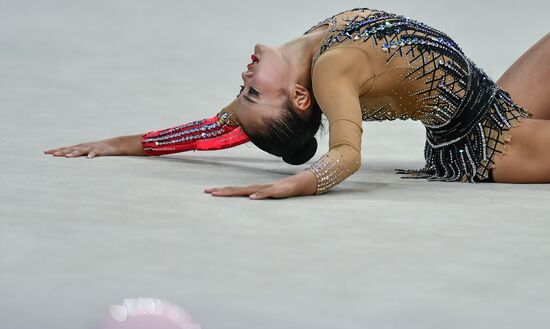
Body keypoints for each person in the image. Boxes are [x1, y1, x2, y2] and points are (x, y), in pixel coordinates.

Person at [44, 7, 550, 199]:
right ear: (302, 97)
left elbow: (216, 129)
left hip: (495, 102)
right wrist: (302, 183)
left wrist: (122, 142)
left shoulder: (312, 53)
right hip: (491, 147)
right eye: (252, 91)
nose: (244, 78)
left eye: (245, 91)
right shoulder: (331, 71)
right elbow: (347, 154)